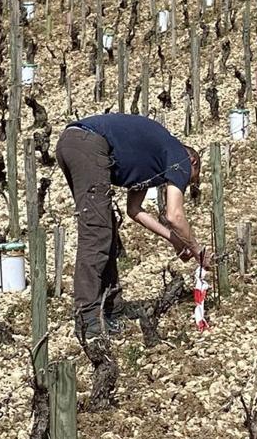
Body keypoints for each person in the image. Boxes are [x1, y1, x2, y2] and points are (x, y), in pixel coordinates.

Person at [56, 113, 204, 336]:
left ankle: (112, 308)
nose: (181, 183)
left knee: (105, 227)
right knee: (96, 232)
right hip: (88, 143)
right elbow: (175, 216)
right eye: (190, 179)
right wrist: (198, 251)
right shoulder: (179, 155)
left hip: (74, 143)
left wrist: (175, 240)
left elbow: (134, 210)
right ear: (193, 162)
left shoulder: (152, 160)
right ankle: (88, 320)